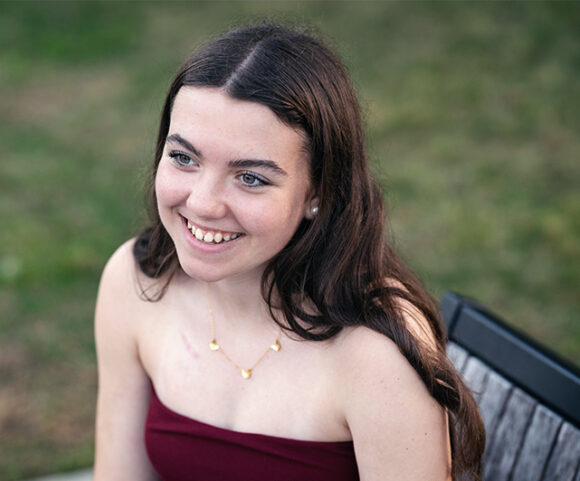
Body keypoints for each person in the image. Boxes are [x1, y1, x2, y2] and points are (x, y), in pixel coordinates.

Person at [94, 23, 485, 481]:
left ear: (316, 192)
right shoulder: (138, 282)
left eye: (251, 178)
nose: (202, 203)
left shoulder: (378, 352)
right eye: (184, 158)